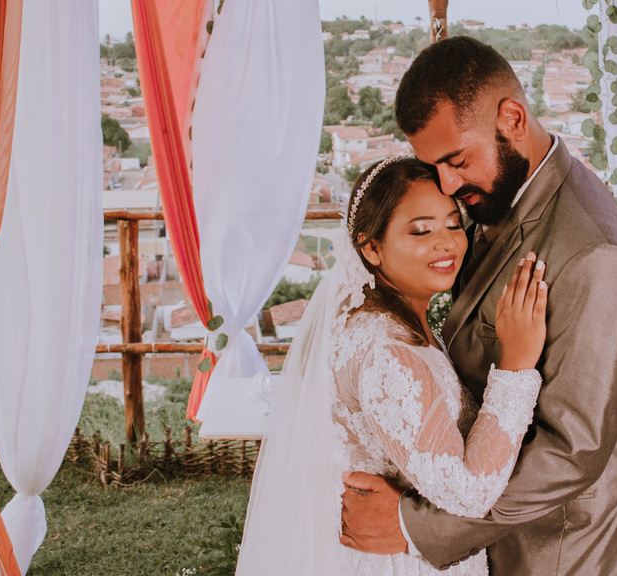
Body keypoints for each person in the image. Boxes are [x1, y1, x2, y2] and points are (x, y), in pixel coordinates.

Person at [340, 36, 617, 575]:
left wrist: (412, 525)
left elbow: (571, 450)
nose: (447, 184)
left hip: (565, 550)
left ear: (512, 119)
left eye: (456, 161)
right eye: (434, 166)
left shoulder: (597, 258)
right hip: (495, 533)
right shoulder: (494, 193)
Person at [235, 156, 548, 575]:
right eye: (421, 230)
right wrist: (516, 365)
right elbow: (468, 494)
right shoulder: (388, 352)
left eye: (453, 224)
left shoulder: (380, 321)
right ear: (372, 248)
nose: (447, 243)